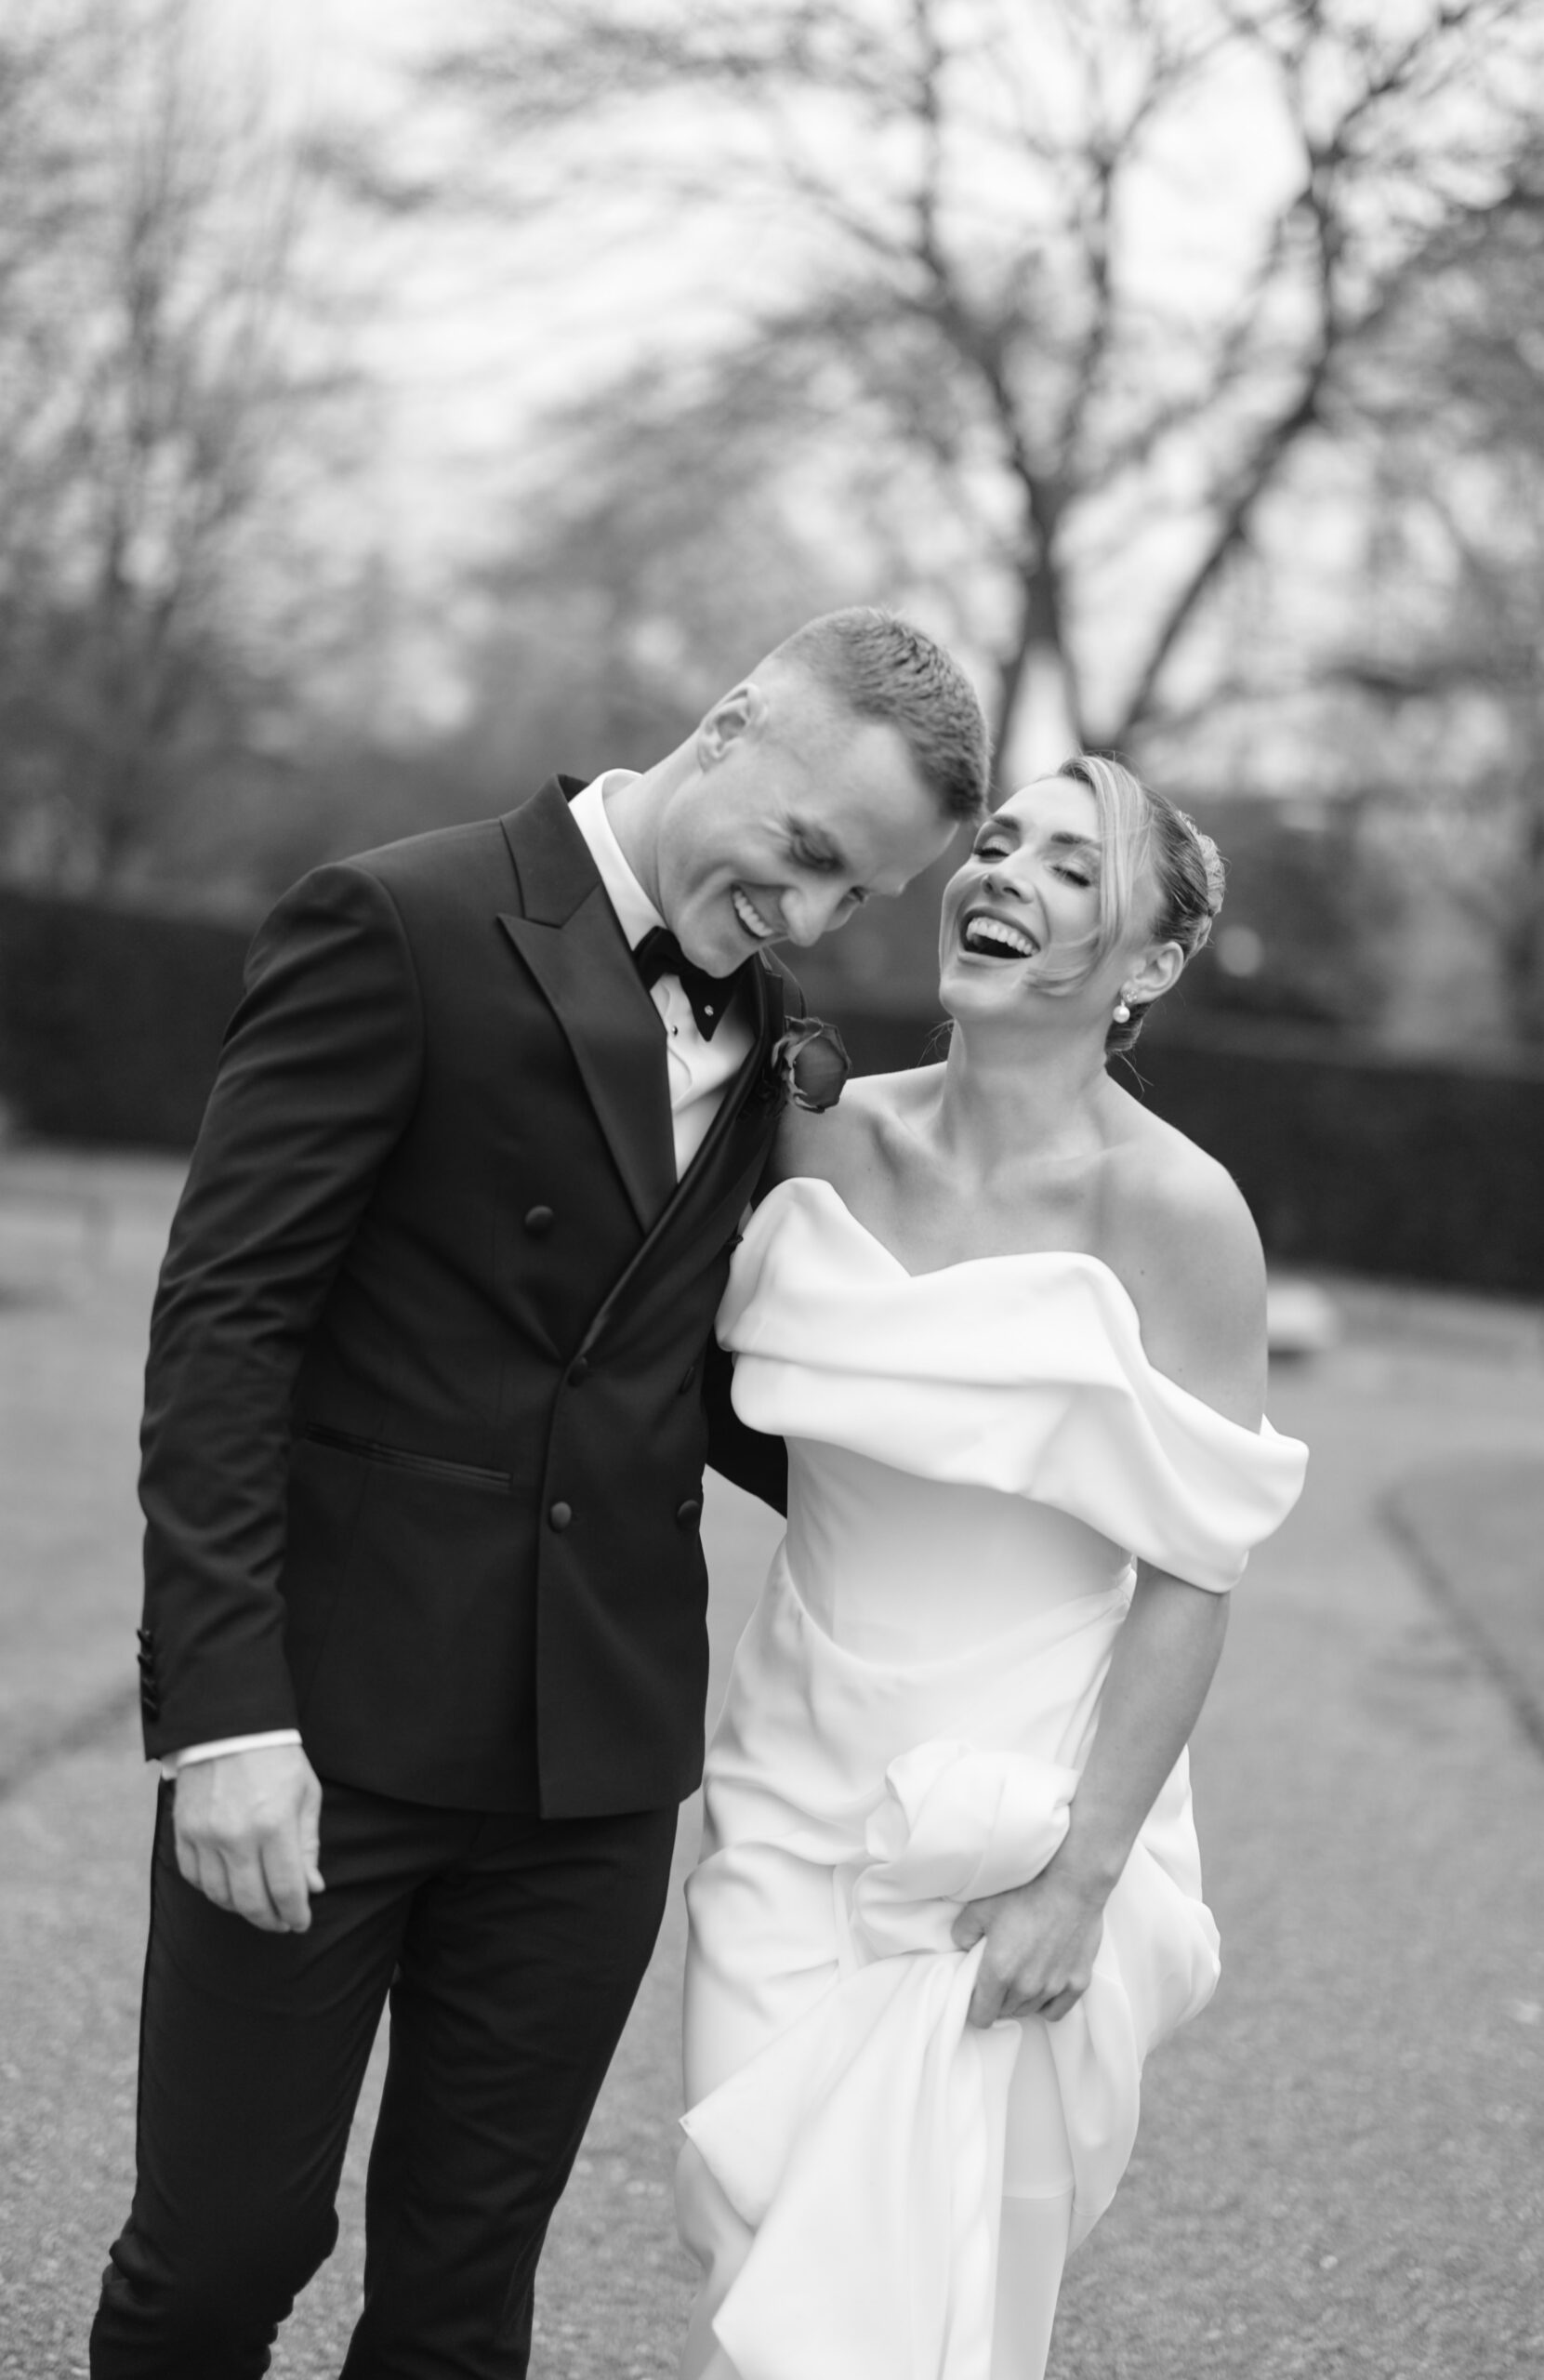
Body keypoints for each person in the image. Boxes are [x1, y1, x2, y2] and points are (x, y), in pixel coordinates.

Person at [89, 609, 989, 2379]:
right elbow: (226, 1327)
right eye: (805, 856)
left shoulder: (782, 1045)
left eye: (854, 899)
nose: (807, 923)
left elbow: (719, 1382)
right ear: (729, 725)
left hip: (593, 1771)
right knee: (218, 2255)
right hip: (327, 1729)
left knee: (463, 2285)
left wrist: (1008, 1482)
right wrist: (222, 1718)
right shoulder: (397, 920)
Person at [674, 755, 1310, 2380]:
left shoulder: (1177, 1213)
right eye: (999, 843)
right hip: (792, 1766)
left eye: (1074, 869)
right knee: (762, 2240)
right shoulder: (808, 1134)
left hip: (1018, 1812)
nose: (1006, 873)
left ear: (1149, 966)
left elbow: (1194, 1566)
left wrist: (1081, 1879)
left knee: (920, 2296)